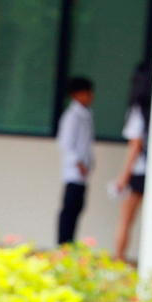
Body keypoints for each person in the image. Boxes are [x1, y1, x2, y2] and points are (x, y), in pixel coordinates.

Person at [111, 61, 151, 264]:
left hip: (139, 171)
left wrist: (122, 178)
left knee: (125, 220)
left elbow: (135, 146)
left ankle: (118, 262)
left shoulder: (138, 110)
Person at [56, 74, 95, 246]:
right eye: (86, 93)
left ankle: (70, 243)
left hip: (82, 172)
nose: (90, 97)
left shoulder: (86, 115)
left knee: (77, 208)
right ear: (76, 95)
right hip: (73, 172)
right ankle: (63, 244)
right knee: (70, 209)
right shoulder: (72, 116)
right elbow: (65, 144)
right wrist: (78, 163)